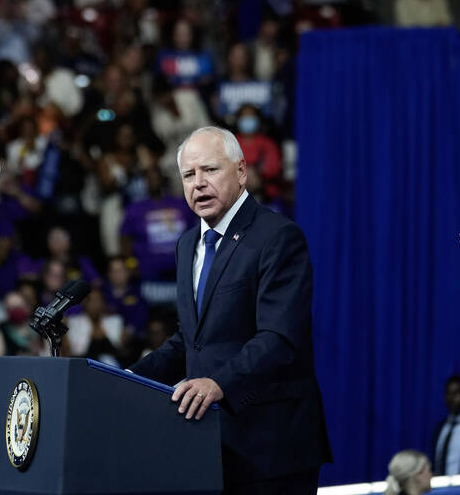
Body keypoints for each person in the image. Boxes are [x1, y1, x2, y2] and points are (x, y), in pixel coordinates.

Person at [129, 126, 331, 493]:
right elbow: (190, 341)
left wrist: (219, 383)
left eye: (210, 170)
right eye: (189, 175)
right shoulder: (188, 244)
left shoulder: (278, 238)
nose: (199, 183)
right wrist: (126, 379)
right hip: (208, 447)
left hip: (272, 449)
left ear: (241, 172)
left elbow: (279, 337)